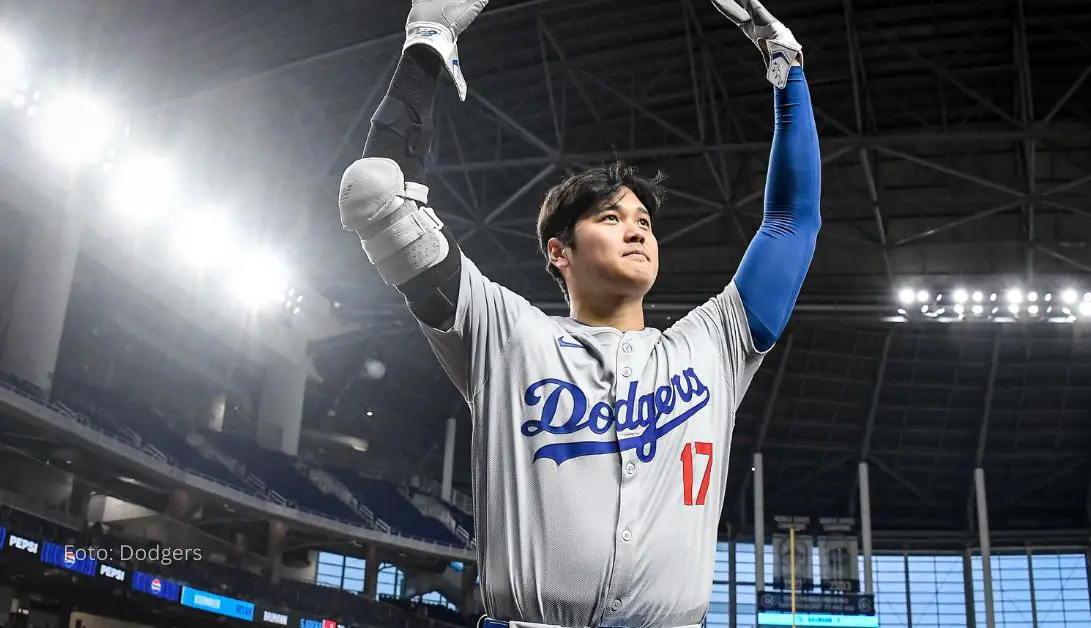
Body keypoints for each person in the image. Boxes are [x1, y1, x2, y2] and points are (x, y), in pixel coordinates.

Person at [336, 0, 821, 626]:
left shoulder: (714, 345)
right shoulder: (505, 335)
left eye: (644, 221)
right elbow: (375, 194)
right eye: (611, 217)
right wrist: (427, 44)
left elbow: (792, 222)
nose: (637, 231)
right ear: (558, 251)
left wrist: (788, 69)